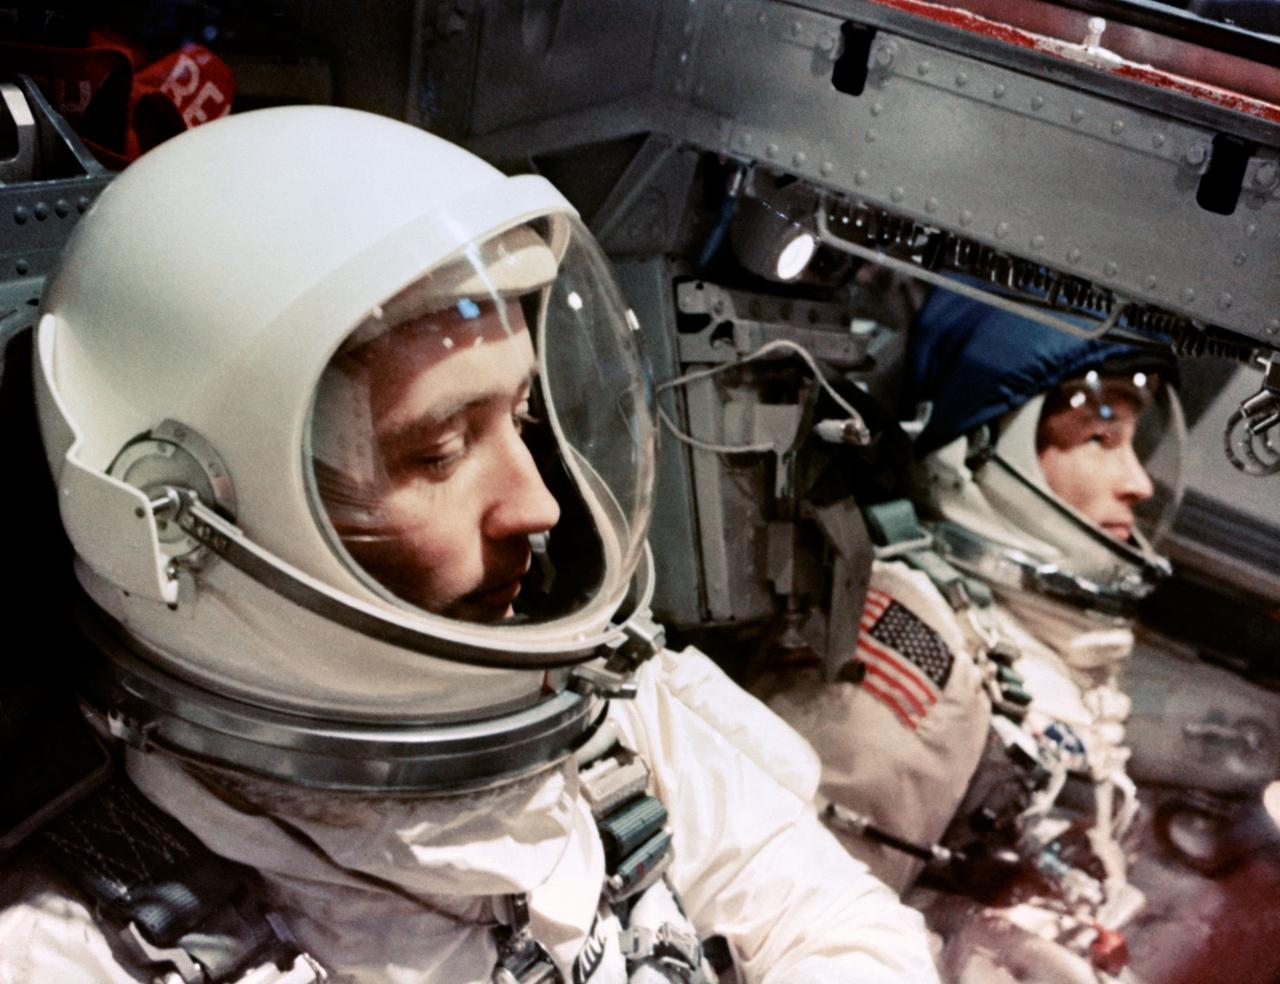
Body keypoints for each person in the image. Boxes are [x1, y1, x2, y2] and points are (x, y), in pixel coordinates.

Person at [0, 106, 939, 984]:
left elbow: (850, 930)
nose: (536, 506)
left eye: (523, 420)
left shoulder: (612, 713)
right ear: (173, 516)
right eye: (439, 450)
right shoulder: (72, 952)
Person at [761, 284, 1184, 983]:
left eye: (1133, 442)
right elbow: (790, 924)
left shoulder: (1030, 647)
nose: (1137, 481)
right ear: (985, 452)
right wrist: (974, 947)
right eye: (1101, 438)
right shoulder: (917, 644)